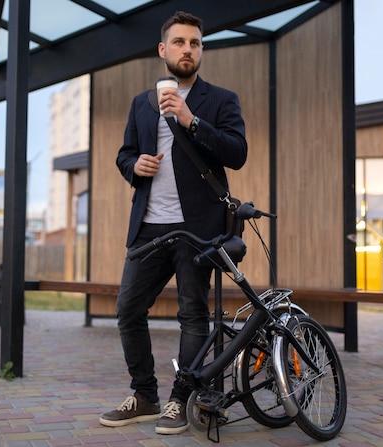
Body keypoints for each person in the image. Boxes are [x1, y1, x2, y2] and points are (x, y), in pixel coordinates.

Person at [99, 11, 248, 435]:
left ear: (201, 50)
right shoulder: (141, 103)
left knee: (192, 314)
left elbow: (237, 153)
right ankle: (144, 395)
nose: (188, 49)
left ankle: (179, 400)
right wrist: (136, 166)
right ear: (163, 50)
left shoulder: (220, 100)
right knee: (128, 309)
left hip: (197, 226)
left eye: (195, 43)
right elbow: (124, 153)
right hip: (149, 224)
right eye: (179, 42)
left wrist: (190, 119)